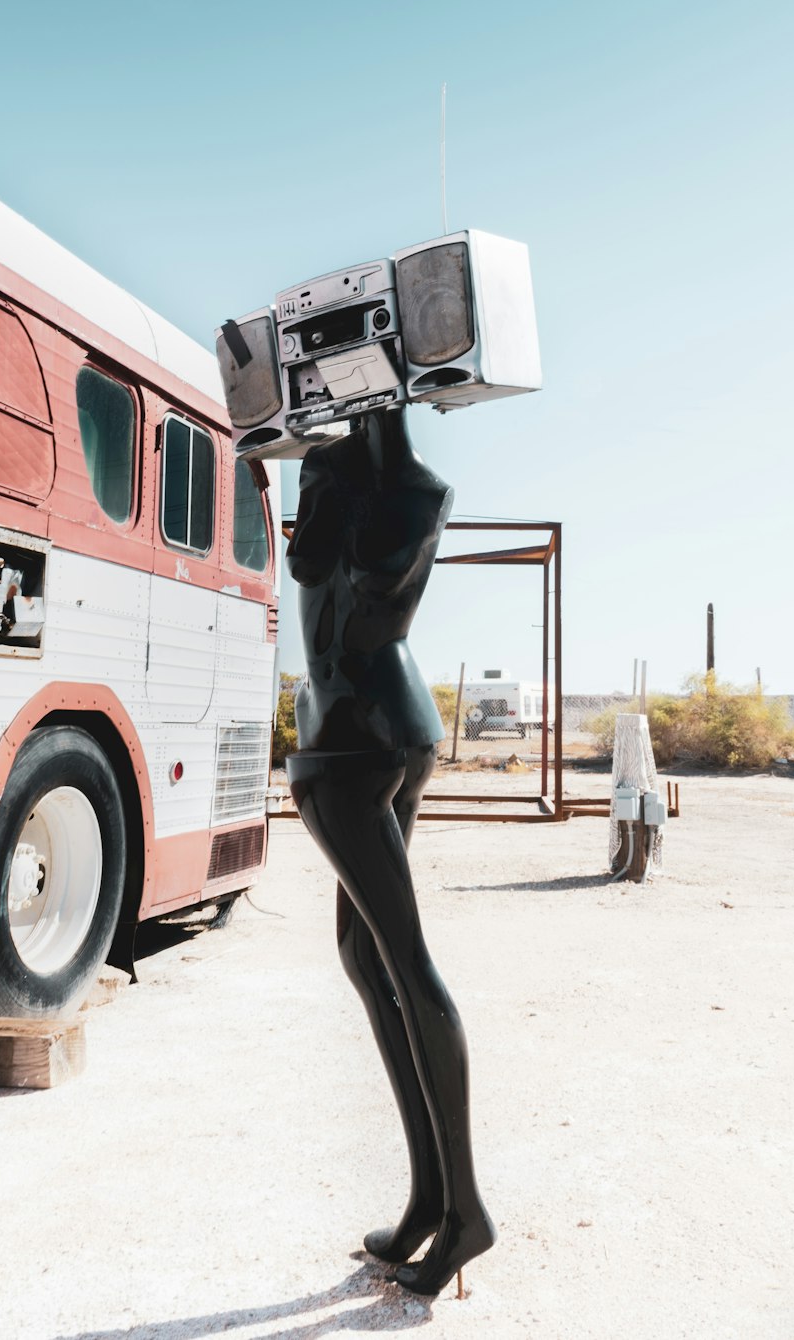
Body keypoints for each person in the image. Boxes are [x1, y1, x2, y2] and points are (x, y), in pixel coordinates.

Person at [285, 404, 495, 1297]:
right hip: (366, 727)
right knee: (367, 960)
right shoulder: (331, 477)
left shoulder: (410, 490)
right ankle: (427, 1201)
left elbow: (364, 577)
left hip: (358, 742)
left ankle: (466, 1212)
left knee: (404, 968)